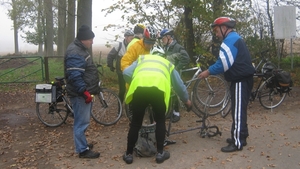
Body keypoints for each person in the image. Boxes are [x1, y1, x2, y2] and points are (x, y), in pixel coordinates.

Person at [122, 46, 192, 164]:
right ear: (163, 56)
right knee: (160, 121)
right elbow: (179, 86)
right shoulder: (167, 63)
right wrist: (187, 101)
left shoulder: (142, 59)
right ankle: (160, 154)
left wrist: (136, 80)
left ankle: (128, 154)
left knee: (135, 122)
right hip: (158, 90)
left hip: (140, 89)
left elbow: (126, 72)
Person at [198, 17, 255, 152]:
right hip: (244, 79)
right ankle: (241, 136)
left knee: (238, 111)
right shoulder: (236, 38)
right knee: (240, 109)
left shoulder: (229, 41)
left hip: (240, 79)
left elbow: (223, 64)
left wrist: (208, 71)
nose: (216, 34)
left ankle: (236, 143)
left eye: (217, 31)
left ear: (224, 28)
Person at [64, 25, 100, 158]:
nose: (92, 42)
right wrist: (84, 92)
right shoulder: (76, 52)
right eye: (90, 39)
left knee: (83, 121)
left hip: (82, 92)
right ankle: (82, 150)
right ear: (83, 39)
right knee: (81, 122)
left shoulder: (80, 49)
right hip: (80, 94)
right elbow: (74, 75)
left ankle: (82, 144)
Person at [159, 28, 190, 123]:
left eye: (163, 38)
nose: (162, 40)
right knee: (170, 92)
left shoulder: (177, 47)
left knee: (175, 91)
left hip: (174, 72)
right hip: (168, 73)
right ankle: (171, 111)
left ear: (169, 37)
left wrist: (177, 67)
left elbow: (186, 58)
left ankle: (177, 113)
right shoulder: (166, 47)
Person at [107, 30, 134, 103]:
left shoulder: (134, 46)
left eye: (133, 38)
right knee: (122, 90)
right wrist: (110, 65)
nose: (132, 40)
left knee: (131, 89)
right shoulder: (119, 46)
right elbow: (110, 56)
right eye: (131, 38)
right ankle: (120, 107)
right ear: (126, 37)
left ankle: (131, 106)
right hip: (121, 71)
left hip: (131, 71)